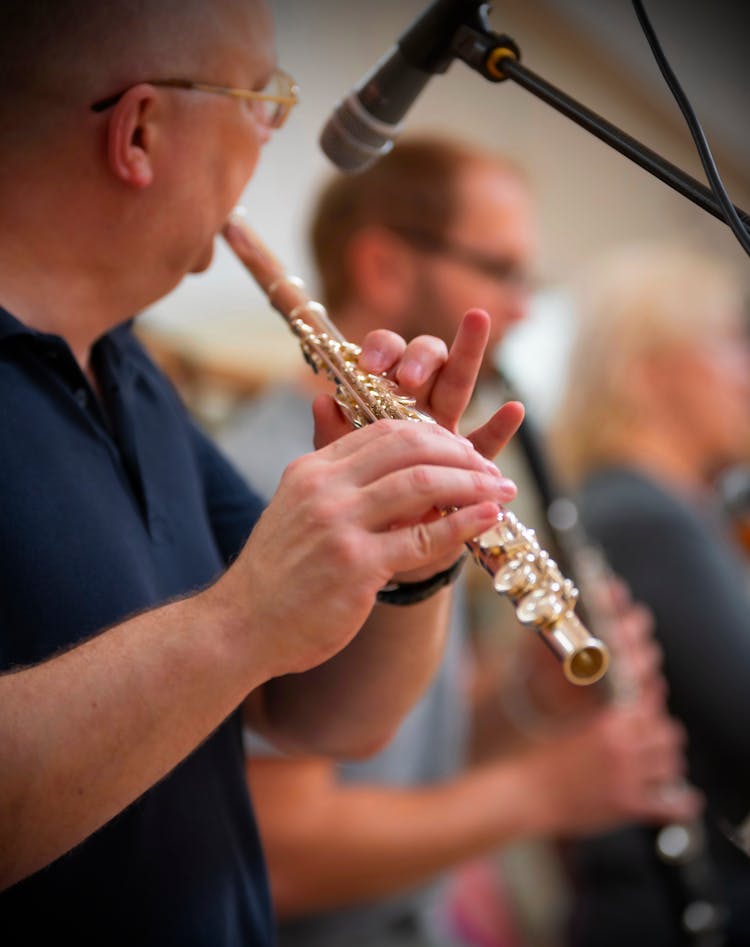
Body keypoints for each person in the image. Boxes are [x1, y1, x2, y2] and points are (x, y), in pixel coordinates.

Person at [0, 4, 544, 944]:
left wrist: (411, 559)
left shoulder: (136, 379)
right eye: (260, 100)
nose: (274, 130)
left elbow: (324, 716)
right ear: (140, 132)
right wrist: (240, 618)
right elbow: (246, 633)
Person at [219, 135, 700, 947]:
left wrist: (533, 698)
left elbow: (404, 760)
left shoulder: (409, 457)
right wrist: (545, 791)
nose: (524, 308)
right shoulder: (277, 477)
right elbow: (282, 848)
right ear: (384, 268)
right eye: (501, 270)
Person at [548, 243, 750, 947]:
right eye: (730, 345)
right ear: (651, 372)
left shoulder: (656, 507)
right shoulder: (644, 514)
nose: (747, 375)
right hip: (673, 912)